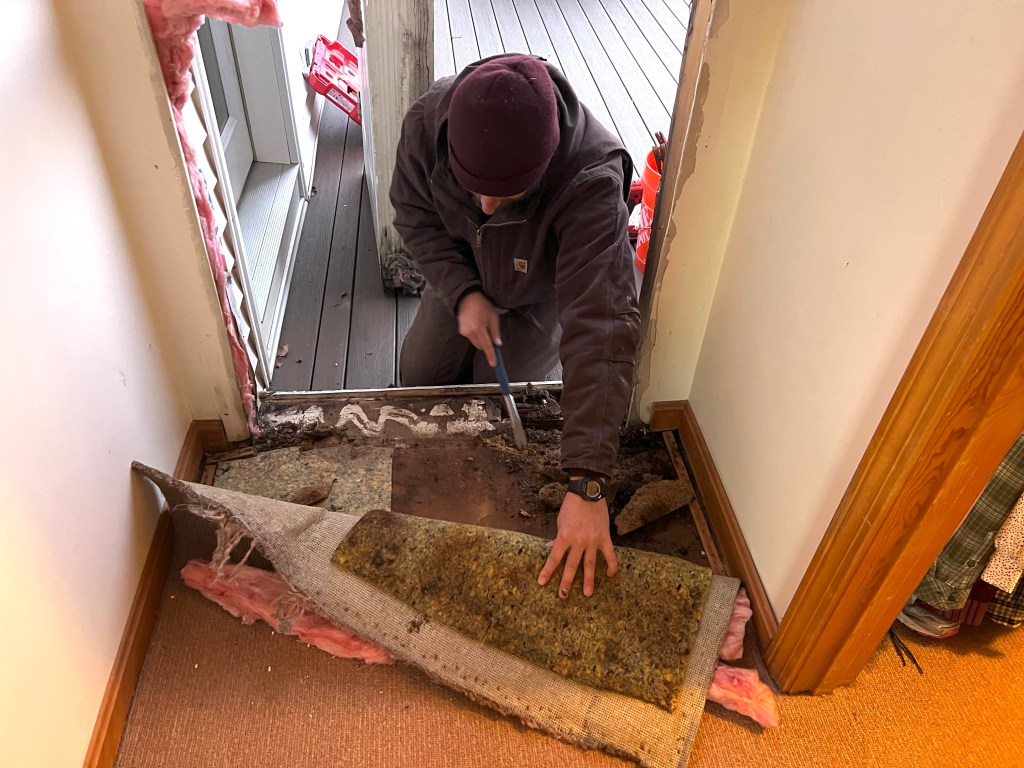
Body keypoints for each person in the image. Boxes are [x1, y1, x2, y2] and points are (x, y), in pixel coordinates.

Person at [390, 54, 641, 599]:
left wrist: (588, 483)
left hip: (539, 293)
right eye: (473, 186)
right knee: (419, 375)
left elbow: (600, 325)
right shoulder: (428, 124)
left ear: (544, 167)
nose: (485, 205)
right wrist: (463, 291)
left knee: (500, 408)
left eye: (508, 194)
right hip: (461, 269)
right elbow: (414, 214)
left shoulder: (591, 181)